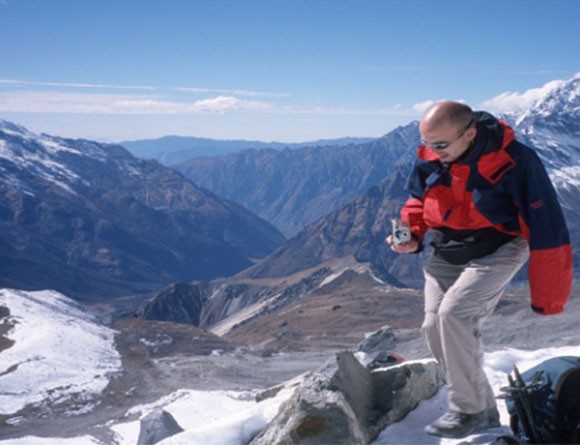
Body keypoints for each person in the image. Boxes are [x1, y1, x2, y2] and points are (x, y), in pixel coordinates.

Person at [386, 101, 573, 439]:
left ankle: (469, 412)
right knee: (433, 327)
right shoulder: (433, 156)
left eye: (440, 144)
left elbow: (547, 227)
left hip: (499, 247)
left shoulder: (516, 161)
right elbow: (417, 200)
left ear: (470, 133)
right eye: (427, 144)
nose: (432, 152)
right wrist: (412, 234)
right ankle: (480, 408)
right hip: (446, 249)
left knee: (455, 316)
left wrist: (549, 299)